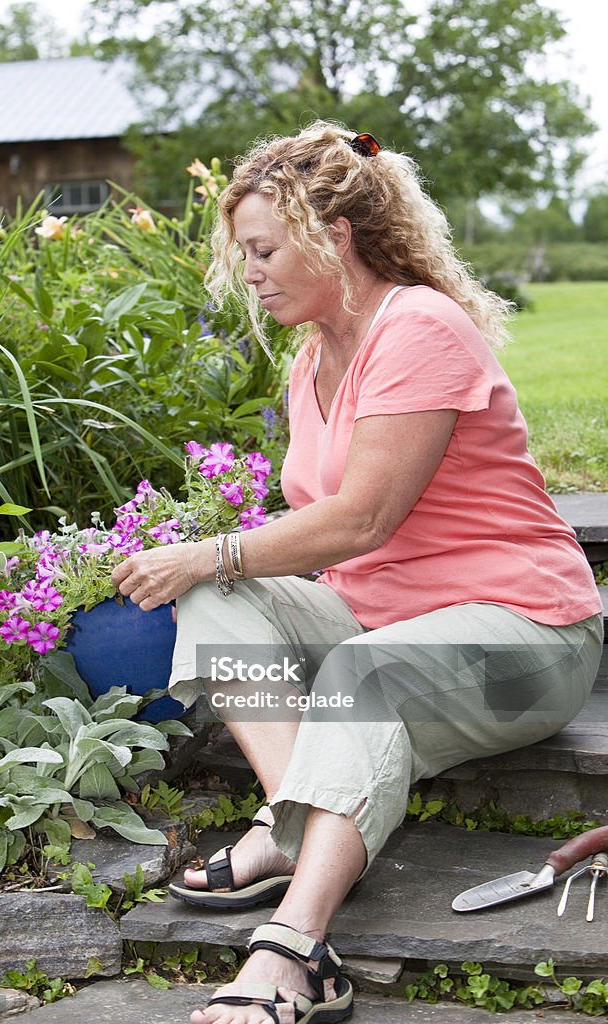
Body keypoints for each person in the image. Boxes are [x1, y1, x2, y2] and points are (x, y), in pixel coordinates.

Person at [111, 121, 604, 1024]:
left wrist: (214, 544)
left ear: (332, 237)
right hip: (381, 623)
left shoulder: (418, 326)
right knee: (215, 596)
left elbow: (361, 517)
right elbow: (317, 534)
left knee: (351, 676)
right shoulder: (312, 357)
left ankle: (291, 948)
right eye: (244, 254)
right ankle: (293, 821)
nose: (250, 272)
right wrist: (210, 564)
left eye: (263, 250)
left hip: (524, 634)